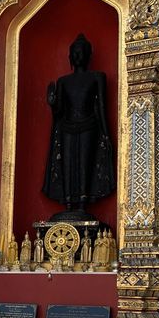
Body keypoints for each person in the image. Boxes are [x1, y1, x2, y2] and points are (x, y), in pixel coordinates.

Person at [43, 34, 114, 219]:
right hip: (67, 126)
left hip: (89, 124)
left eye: (81, 52)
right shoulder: (63, 81)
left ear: (88, 55)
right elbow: (59, 112)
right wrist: (52, 103)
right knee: (67, 163)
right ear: (70, 57)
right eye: (74, 52)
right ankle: (68, 203)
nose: (77, 55)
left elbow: (101, 107)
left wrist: (106, 135)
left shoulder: (97, 77)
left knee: (84, 163)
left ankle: (82, 204)